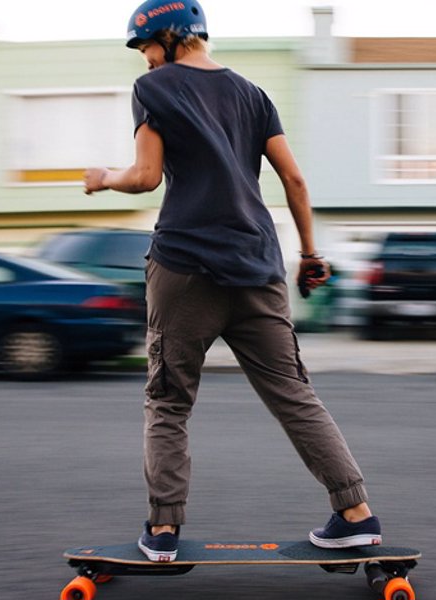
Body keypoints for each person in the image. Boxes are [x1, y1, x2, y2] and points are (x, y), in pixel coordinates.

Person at [83, 0, 381, 563]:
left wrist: (103, 178)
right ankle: (357, 516)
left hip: (185, 269)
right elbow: (293, 177)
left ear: (169, 38)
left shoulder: (154, 89)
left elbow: (146, 177)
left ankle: (163, 531)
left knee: (169, 401)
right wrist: (310, 253)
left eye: (144, 46)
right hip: (258, 266)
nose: (144, 60)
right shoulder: (253, 93)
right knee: (294, 394)